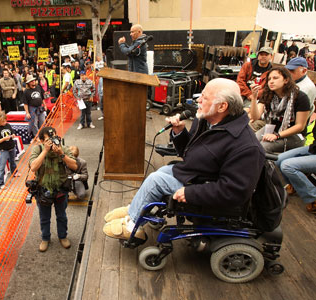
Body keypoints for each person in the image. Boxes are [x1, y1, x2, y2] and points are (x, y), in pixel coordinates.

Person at [103, 78, 265, 240]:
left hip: (207, 191)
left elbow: (235, 192)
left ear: (222, 106)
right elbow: (190, 155)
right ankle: (136, 210)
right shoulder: (206, 121)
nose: (198, 101)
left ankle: (133, 226)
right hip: (198, 176)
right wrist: (180, 133)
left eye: (205, 98)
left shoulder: (247, 147)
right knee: (163, 171)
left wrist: (191, 192)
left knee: (157, 180)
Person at [29, 126, 78, 252]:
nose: (53, 141)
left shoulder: (64, 149)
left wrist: (61, 154)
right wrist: (45, 151)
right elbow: (33, 167)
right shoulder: (37, 149)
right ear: (41, 141)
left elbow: (74, 166)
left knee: (61, 215)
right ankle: (45, 238)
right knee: (44, 217)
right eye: (48, 139)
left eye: (54, 138)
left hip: (60, 189)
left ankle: (63, 236)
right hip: (43, 190)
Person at [250, 66, 310, 153]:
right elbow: (255, 117)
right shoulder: (268, 94)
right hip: (273, 129)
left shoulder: (300, 97)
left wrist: (277, 135)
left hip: (294, 135)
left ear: (286, 80)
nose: (271, 81)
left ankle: (266, 165)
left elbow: (300, 126)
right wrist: (254, 98)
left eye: (275, 78)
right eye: (269, 79)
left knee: (263, 146)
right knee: (250, 142)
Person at [276, 123, 316, 214]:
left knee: (287, 166)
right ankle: (295, 185)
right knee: (279, 159)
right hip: (313, 148)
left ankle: (313, 197)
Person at [0, 112, 18, 189]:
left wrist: (13, 135)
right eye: (2, 122)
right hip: (4, 149)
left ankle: (14, 172)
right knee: (2, 166)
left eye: (5, 121)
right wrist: (3, 139)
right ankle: (0, 183)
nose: (4, 123)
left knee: (13, 161)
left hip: (11, 146)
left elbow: (13, 132)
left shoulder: (8, 125)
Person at [23, 74, 47, 140]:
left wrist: (44, 105)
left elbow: (42, 97)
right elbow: (25, 103)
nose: (33, 82)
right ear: (28, 83)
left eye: (33, 80)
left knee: (42, 121)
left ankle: (43, 135)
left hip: (40, 107)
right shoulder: (26, 91)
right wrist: (27, 113)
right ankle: (37, 136)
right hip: (32, 108)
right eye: (31, 81)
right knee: (34, 123)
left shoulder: (38, 87)